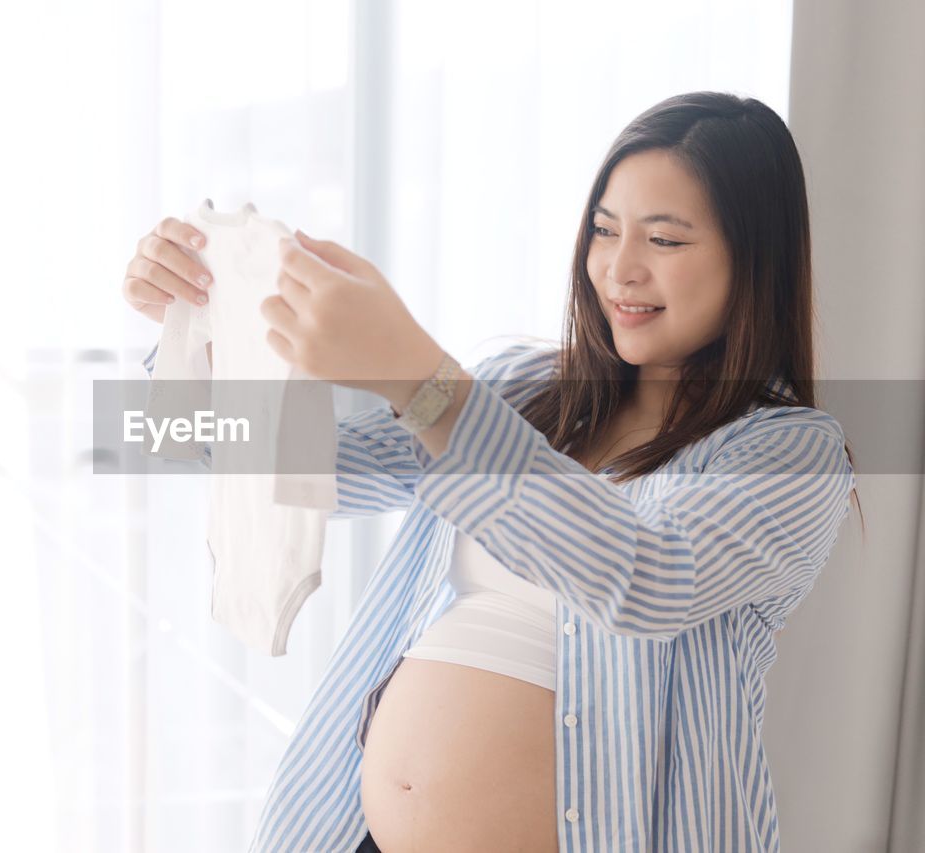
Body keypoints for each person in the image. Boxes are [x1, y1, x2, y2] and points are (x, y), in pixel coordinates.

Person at [121, 90, 863, 852]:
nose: (621, 269)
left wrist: (424, 381)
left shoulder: (787, 453)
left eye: (666, 241)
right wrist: (198, 340)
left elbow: (644, 575)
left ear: (756, 261)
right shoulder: (520, 387)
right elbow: (308, 472)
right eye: (605, 231)